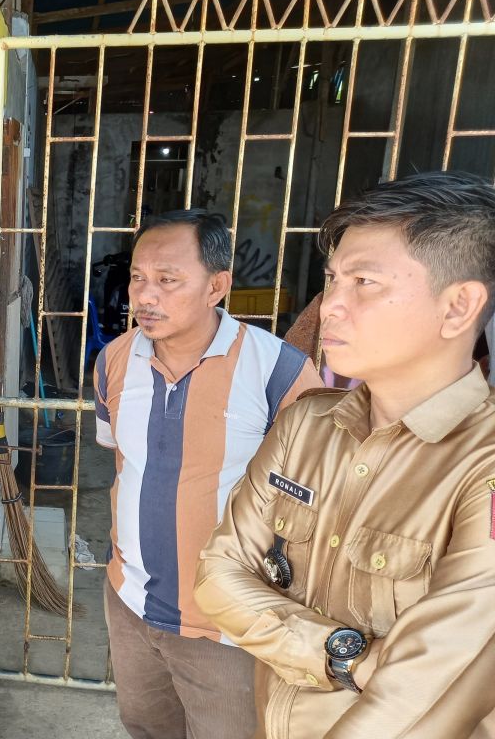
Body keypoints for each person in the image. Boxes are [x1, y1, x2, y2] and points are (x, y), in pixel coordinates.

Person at [195, 171, 495, 738]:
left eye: (364, 282)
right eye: (333, 279)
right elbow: (217, 574)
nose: (330, 305)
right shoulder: (306, 424)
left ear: (458, 307)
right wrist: (344, 654)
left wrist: (282, 629)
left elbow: (435, 687)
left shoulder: (483, 466)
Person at [93, 209, 322, 739]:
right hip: (131, 603)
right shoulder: (113, 361)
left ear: (217, 285)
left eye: (168, 281)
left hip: (229, 625)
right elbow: (123, 464)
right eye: (138, 278)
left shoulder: (278, 371)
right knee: (146, 727)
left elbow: (315, 500)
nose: (145, 297)